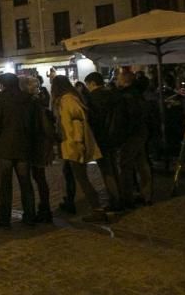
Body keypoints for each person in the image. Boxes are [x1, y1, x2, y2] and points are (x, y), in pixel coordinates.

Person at [52, 75, 109, 223]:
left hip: (74, 146)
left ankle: (98, 209)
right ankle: (71, 202)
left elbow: (77, 121)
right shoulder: (67, 99)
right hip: (70, 144)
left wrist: (78, 142)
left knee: (82, 178)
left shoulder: (68, 100)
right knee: (72, 174)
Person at [0, 73, 36, 228]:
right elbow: (33, 123)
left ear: (4, 84)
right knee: (25, 182)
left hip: (5, 148)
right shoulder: (27, 99)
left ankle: (4, 217)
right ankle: (29, 215)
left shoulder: (1, 100)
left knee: (6, 184)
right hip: (23, 146)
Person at [84, 72, 130, 211]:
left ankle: (115, 201)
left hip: (101, 137)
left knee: (106, 171)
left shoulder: (93, 98)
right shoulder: (113, 94)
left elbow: (93, 120)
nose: (87, 88)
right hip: (115, 137)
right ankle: (121, 196)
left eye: (88, 85)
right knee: (114, 169)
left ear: (92, 83)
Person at [117, 71, 155, 206]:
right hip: (141, 132)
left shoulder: (127, 95)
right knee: (141, 163)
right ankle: (146, 195)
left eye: (119, 77)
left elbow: (129, 116)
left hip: (131, 134)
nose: (117, 79)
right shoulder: (138, 93)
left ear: (125, 80)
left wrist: (123, 133)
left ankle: (127, 197)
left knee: (126, 165)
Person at [22, 76, 56, 223]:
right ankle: (44, 208)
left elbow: (30, 126)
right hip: (39, 144)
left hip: (34, 145)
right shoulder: (38, 101)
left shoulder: (30, 104)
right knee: (39, 178)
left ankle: (43, 209)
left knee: (37, 178)